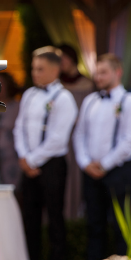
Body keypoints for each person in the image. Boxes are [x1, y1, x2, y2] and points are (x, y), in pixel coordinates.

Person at [14, 47, 78, 260]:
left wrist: (32, 160)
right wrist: (23, 156)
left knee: (54, 220)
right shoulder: (30, 94)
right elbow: (19, 127)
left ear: (55, 69)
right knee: (29, 219)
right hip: (28, 164)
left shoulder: (64, 98)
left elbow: (58, 138)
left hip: (52, 166)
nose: (35, 73)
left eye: (40, 69)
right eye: (33, 68)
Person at [73, 54, 131, 260]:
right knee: (94, 227)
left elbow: (130, 140)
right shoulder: (90, 101)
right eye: (96, 72)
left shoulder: (129, 102)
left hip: (119, 173)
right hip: (90, 172)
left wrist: (105, 164)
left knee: (121, 228)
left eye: (103, 72)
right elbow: (79, 134)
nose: (98, 77)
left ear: (118, 72)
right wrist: (85, 162)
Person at [58, 43, 95, 220]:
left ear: (71, 57)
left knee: (76, 179)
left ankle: (75, 219)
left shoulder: (87, 85)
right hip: (59, 140)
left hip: (78, 140)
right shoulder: (56, 86)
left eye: (62, 58)